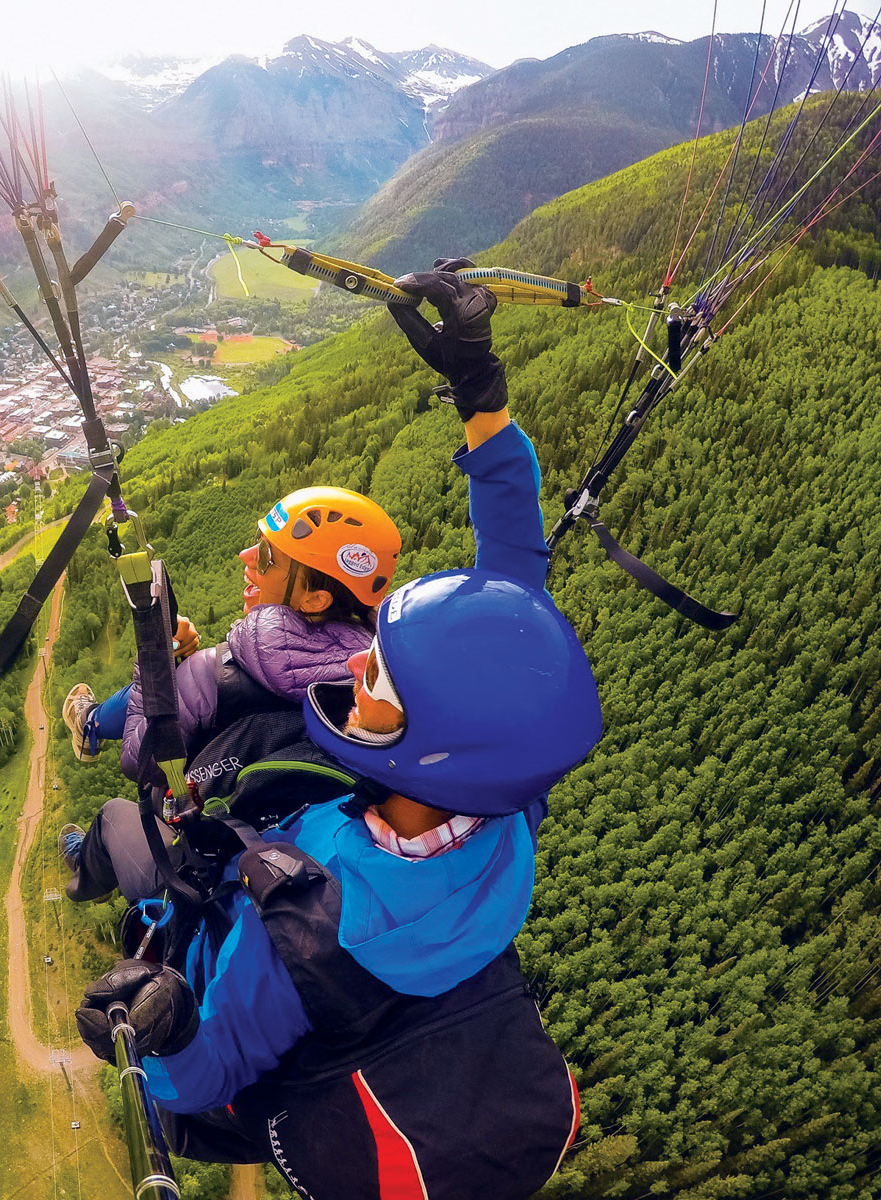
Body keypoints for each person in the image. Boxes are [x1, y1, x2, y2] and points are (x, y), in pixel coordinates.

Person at [71, 260, 603, 1200]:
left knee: (135, 853)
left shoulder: (310, 928)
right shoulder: (507, 799)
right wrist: (482, 399)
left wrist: (167, 1030)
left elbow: (213, 1074)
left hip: (274, 1012)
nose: (359, 668)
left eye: (382, 683)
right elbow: (515, 580)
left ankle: (86, 860)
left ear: (425, 748)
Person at [59, 485, 401, 902]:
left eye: (266, 555)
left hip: (207, 872)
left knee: (112, 819)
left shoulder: (213, 672)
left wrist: (156, 658)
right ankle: (92, 722)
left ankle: (83, 871)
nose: (247, 556)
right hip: (297, 862)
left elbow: (138, 758)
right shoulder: (383, 682)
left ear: (315, 597)